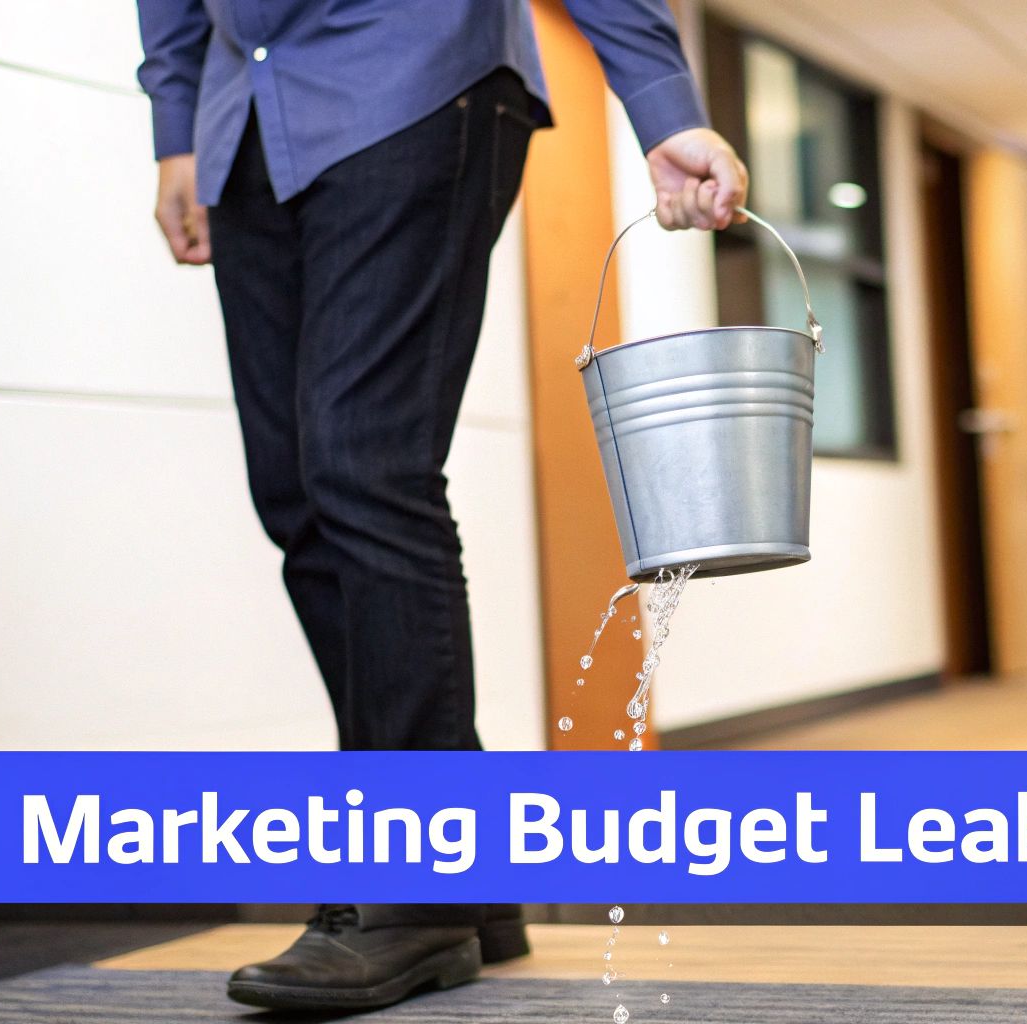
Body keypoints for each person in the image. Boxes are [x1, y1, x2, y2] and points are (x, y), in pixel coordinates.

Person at [134, 0, 747, 1012]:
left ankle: (409, 884)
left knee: (364, 465)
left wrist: (657, 100)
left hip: (411, 75)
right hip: (243, 108)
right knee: (296, 492)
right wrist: (172, 127)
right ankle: (465, 861)